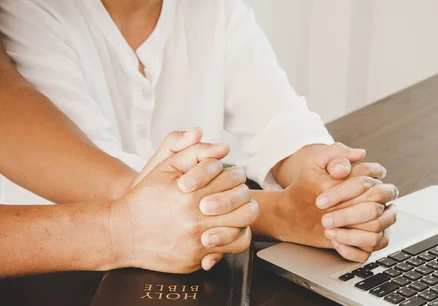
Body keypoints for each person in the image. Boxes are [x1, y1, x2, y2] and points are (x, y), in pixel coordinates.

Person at [0, 0, 398, 264]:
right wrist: (280, 213)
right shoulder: (31, 10)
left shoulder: (213, 7)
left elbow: (279, 120)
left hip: (191, 266)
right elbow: (94, 171)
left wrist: (327, 179)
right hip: (60, 283)